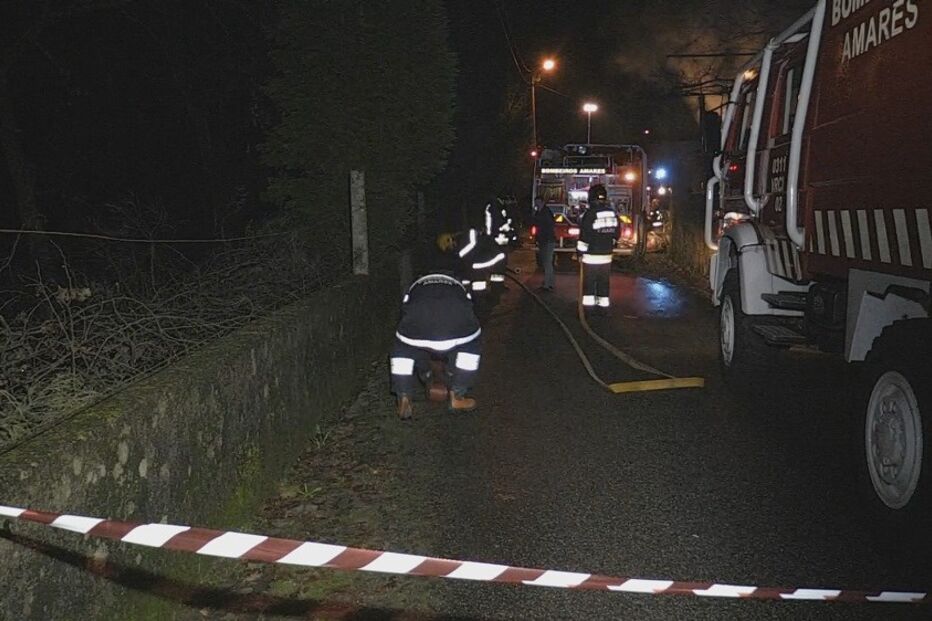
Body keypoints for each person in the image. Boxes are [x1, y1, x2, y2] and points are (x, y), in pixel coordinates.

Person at [390, 272, 482, 419]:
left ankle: (403, 396)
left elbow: (405, 308)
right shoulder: (459, 286)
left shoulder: (415, 286)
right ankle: (458, 395)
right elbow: (469, 306)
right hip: (456, 322)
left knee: (404, 350)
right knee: (469, 346)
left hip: (419, 321)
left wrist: (425, 373)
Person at [576, 184, 619, 312]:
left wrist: (579, 253)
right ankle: (603, 308)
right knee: (603, 282)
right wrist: (610, 243)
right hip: (606, 256)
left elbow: (585, 236)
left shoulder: (590, 214)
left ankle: (588, 309)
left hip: (591, 256)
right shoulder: (612, 213)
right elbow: (617, 233)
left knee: (589, 283)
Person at [483, 197, 516, 287]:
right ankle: (497, 286)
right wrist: (510, 231)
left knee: (498, 264)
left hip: (494, 239)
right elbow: (499, 224)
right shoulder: (496, 207)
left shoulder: (493, 206)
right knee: (499, 265)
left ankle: (497, 284)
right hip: (497, 240)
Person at [533, 198, 556, 291]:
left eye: (538, 202)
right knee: (546, 262)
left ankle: (548, 284)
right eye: (536, 202)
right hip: (544, 240)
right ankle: (549, 282)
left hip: (547, 240)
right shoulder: (541, 212)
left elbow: (547, 227)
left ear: (542, 202)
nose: (536, 204)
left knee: (547, 262)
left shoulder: (545, 213)